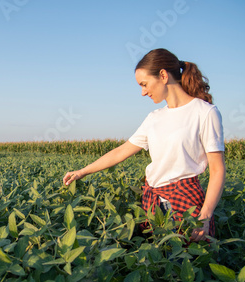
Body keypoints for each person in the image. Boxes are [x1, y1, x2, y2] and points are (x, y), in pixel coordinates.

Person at [63, 48, 225, 242]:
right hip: (153, 203)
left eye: (144, 84)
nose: (143, 92)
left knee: (187, 263)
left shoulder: (205, 113)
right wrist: (82, 172)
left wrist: (205, 214)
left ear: (163, 75)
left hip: (185, 202)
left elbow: (217, 170)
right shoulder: (154, 118)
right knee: (156, 265)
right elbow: (121, 151)